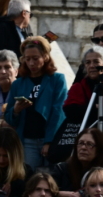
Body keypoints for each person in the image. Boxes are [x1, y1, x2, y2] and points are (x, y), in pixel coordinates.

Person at [51, 47, 103, 164]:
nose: (92, 65)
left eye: (96, 62)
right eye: (88, 62)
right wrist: (96, 108)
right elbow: (71, 112)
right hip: (81, 138)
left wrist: (87, 109)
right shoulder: (77, 87)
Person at [4, 36, 67, 169]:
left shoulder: (57, 80)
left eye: (35, 58)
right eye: (27, 59)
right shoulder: (17, 84)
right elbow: (9, 117)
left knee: (50, 178)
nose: (31, 63)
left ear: (45, 57)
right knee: (30, 179)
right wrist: (16, 110)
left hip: (49, 137)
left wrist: (49, 141)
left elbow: (58, 112)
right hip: (27, 140)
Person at [50, 128, 103, 197]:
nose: (83, 148)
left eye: (89, 144)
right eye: (81, 143)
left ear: (99, 149)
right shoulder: (61, 168)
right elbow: (44, 188)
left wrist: (78, 196)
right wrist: (58, 195)